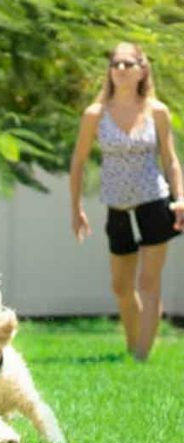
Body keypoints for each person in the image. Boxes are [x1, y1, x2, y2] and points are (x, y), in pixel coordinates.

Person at [69, 42, 184, 361]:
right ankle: (134, 344)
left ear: (142, 70)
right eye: (115, 64)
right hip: (117, 207)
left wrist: (181, 198)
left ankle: (140, 357)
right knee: (121, 287)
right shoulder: (95, 114)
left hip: (154, 202)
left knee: (149, 282)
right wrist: (76, 208)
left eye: (128, 64)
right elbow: (78, 162)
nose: (120, 69)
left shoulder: (157, 111)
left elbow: (170, 160)